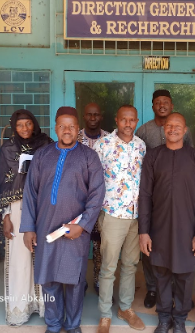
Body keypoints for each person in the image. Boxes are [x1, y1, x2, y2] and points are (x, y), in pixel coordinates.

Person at [20, 106, 106, 333]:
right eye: (62, 126)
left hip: (74, 231)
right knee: (49, 280)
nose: (67, 130)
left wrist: (83, 225)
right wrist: (29, 228)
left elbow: (97, 194)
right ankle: (54, 324)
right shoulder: (43, 155)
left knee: (74, 281)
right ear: (55, 128)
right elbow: (30, 193)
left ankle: (73, 324)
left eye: (71, 126)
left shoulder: (89, 156)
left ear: (78, 129)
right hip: (45, 228)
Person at [139, 113, 195, 333]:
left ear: (185, 130)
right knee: (161, 274)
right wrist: (144, 231)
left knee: (185, 276)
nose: (173, 129)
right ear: (164, 130)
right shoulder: (153, 156)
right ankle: (164, 317)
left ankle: (179, 319)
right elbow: (145, 195)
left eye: (177, 126)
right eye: (169, 126)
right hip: (158, 228)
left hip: (187, 228)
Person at [135, 89, 193, 308]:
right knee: (152, 248)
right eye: (157, 102)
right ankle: (152, 289)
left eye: (165, 102)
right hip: (153, 193)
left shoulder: (182, 129)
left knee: (178, 246)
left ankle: (179, 295)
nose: (161, 105)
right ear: (152, 106)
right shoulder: (144, 130)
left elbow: (189, 157)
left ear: (171, 104)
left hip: (178, 196)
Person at [0, 109, 53, 326]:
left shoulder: (46, 143)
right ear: (14, 127)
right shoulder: (8, 148)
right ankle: (20, 309)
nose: (25, 129)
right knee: (20, 258)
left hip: (44, 205)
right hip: (18, 207)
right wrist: (6, 216)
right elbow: (3, 182)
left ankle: (46, 307)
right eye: (20, 125)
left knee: (44, 256)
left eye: (28, 124)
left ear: (34, 124)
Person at [94, 105, 147, 333]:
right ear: (116, 120)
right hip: (113, 214)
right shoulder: (103, 145)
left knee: (130, 265)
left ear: (136, 121)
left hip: (136, 216)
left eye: (132, 120)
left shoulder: (141, 146)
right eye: (123, 119)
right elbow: (93, 180)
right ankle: (105, 314)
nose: (128, 124)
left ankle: (125, 308)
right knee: (108, 267)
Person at [77, 103, 109, 295]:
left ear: (101, 116)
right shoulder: (75, 137)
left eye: (96, 114)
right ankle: (79, 281)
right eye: (89, 114)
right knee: (79, 244)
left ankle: (99, 281)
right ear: (84, 116)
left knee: (100, 245)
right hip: (78, 200)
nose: (93, 117)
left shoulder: (109, 139)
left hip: (102, 201)